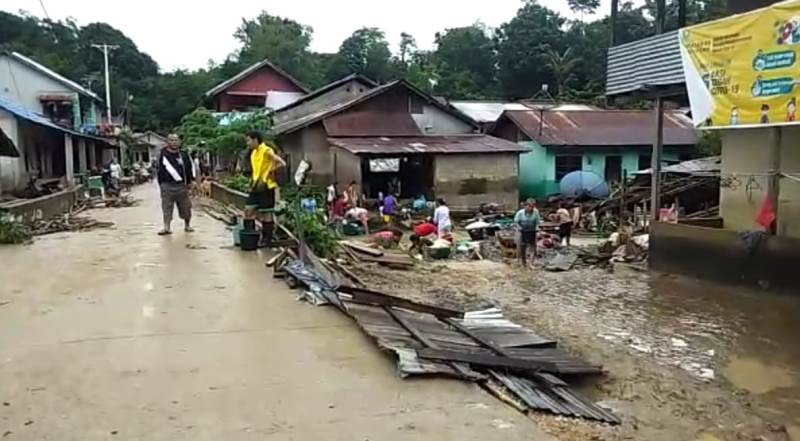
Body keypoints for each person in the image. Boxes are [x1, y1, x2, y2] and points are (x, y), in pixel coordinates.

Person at [245, 131, 286, 247]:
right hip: (256, 186)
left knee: (266, 214)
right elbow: (256, 170)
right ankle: (250, 235)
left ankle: (266, 239)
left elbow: (281, 163)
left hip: (267, 187)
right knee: (248, 211)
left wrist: (270, 174)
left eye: (248, 140)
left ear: (255, 140)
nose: (247, 143)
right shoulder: (253, 153)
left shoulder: (267, 150)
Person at [157, 133, 195, 235]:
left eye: (176, 140)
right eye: (171, 140)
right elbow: (159, 170)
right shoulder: (162, 154)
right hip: (167, 185)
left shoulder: (183, 155)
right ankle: (166, 227)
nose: (174, 142)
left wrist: (190, 182)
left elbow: (189, 169)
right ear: (167, 142)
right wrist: (161, 184)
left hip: (182, 186)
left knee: (186, 207)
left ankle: (187, 225)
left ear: (179, 142)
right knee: (166, 207)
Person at [514, 199, 540, 267]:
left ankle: (531, 263)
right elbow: (516, 222)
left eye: (532, 207)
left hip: (532, 230)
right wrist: (519, 227)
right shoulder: (520, 213)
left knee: (533, 247)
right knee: (522, 247)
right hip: (522, 230)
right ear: (525, 206)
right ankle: (523, 262)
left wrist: (537, 227)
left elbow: (537, 222)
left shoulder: (536, 212)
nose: (531, 208)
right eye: (529, 206)